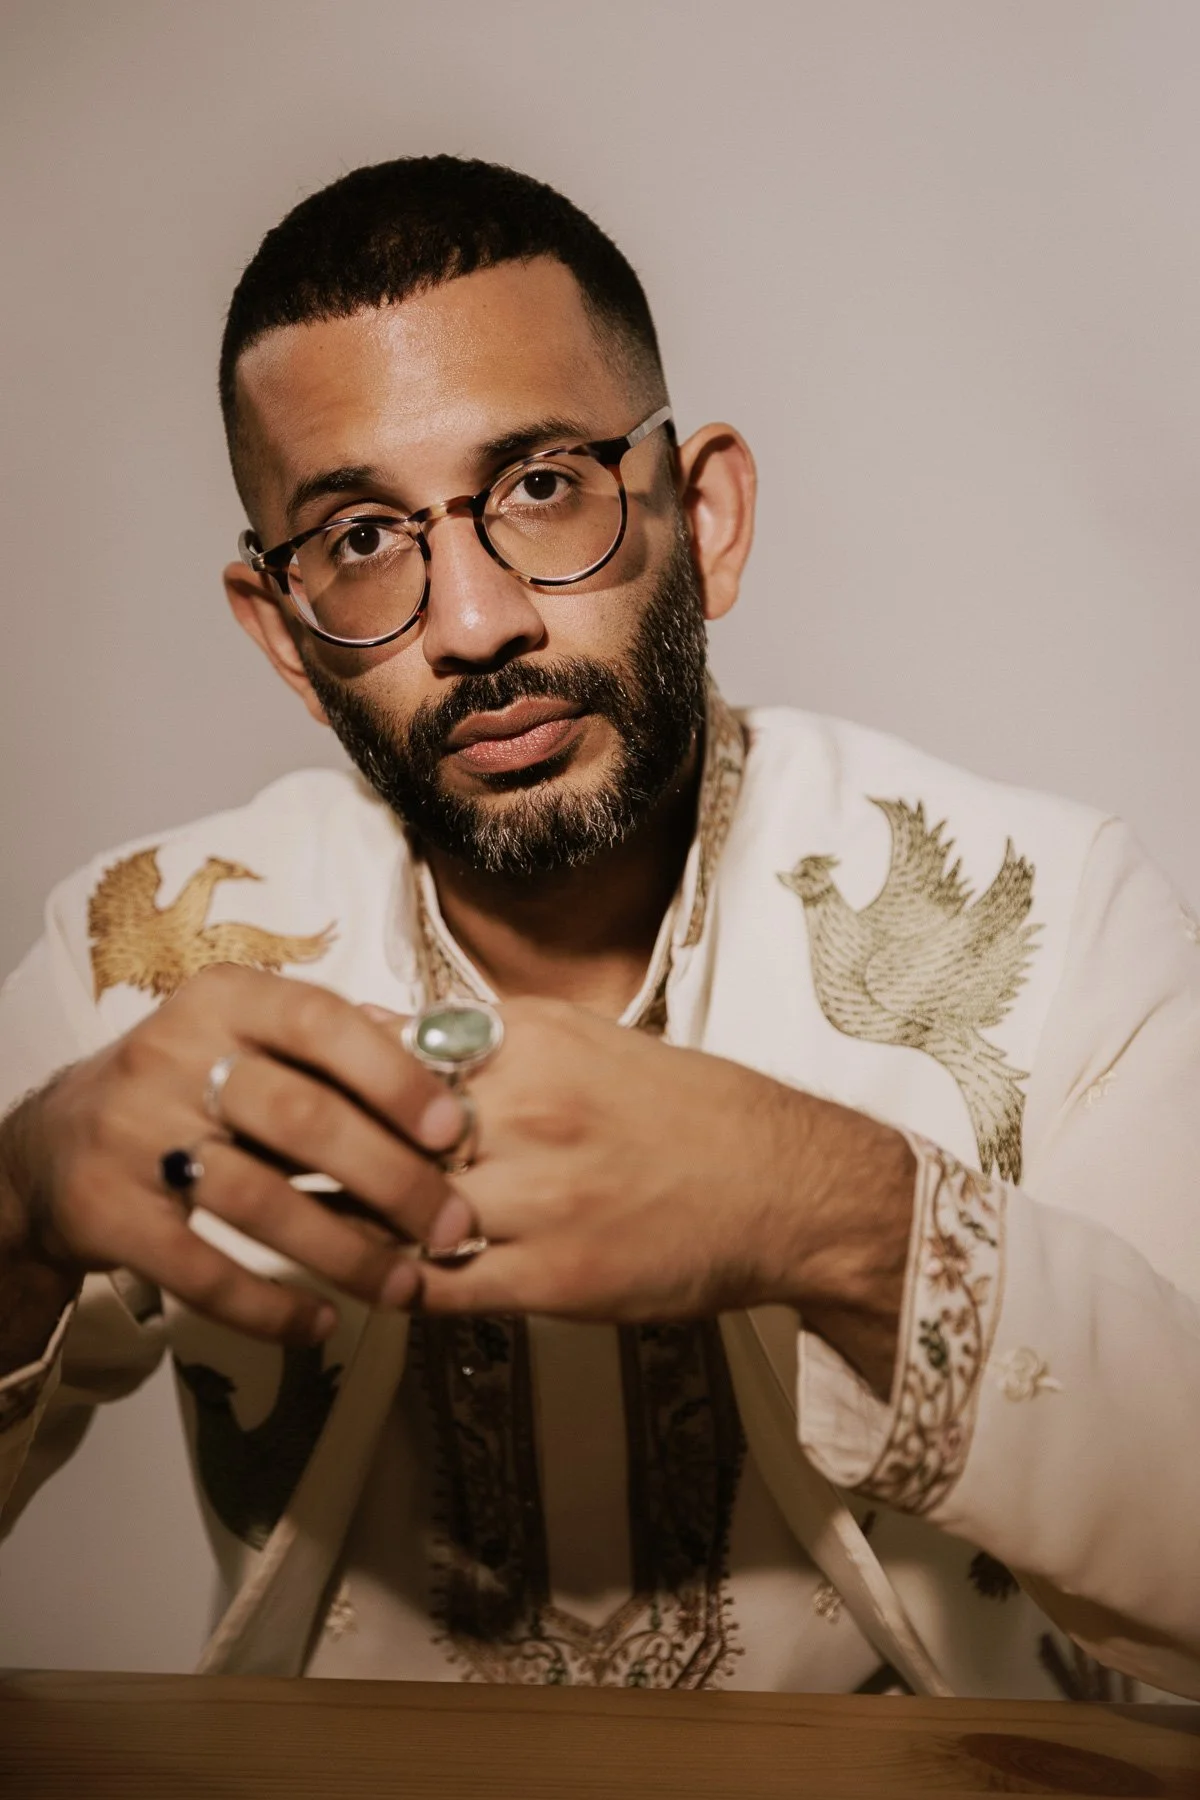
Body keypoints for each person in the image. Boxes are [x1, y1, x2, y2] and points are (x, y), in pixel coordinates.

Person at [0, 156, 1196, 1701]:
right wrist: (17, 1213)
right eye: (360, 538)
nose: (475, 623)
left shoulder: (1057, 905)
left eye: (542, 485)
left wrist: (837, 1213)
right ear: (285, 640)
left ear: (706, 516)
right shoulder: (137, 966)